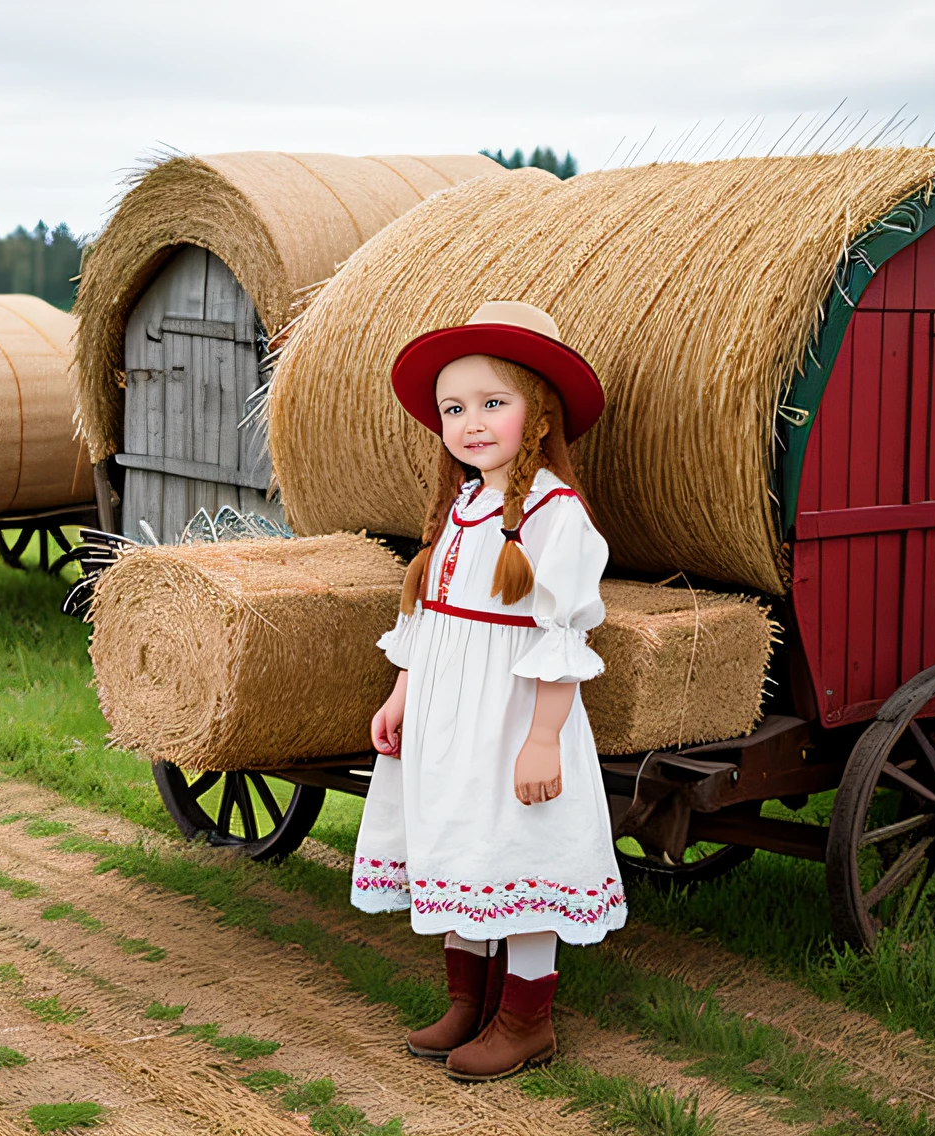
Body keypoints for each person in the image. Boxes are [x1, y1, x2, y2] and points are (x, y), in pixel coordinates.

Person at [351, 300, 624, 1082]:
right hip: (447, 714)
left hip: (511, 716)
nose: (471, 422)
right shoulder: (463, 506)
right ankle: (466, 1002)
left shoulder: (556, 517)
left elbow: (562, 638)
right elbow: (429, 614)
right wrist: (402, 695)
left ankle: (525, 1019)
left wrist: (543, 737)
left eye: (492, 403)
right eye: (454, 407)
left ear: (538, 416)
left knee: (516, 846)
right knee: (460, 835)